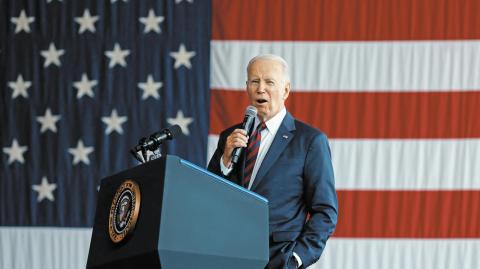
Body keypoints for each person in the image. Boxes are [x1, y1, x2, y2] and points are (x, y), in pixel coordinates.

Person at [208, 54, 338, 269]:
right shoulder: (230, 136)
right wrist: (225, 161)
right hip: (228, 255)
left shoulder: (310, 141)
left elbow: (325, 211)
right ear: (246, 87)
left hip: (278, 258)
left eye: (269, 82)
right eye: (254, 81)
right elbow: (208, 194)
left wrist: (296, 258)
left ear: (285, 90)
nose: (260, 89)